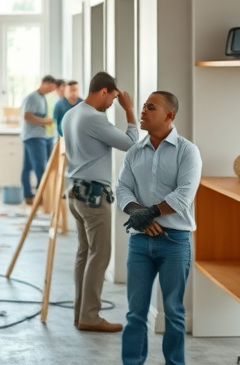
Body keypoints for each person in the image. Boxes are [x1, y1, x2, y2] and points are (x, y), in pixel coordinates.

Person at [116, 91, 201, 365]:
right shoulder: (133, 152)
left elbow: (184, 194)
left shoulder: (188, 151)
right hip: (140, 243)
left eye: (150, 107)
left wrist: (149, 213)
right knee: (135, 313)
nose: (142, 111)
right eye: (142, 107)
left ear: (169, 115)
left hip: (175, 242)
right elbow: (122, 189)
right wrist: (138, 215)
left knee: (174, 312)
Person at [62, 72, 137, 334]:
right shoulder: (93, 118)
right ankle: (91, 317)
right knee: (99, 255)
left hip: (75, 193)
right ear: (104, 91)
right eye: (113, 97)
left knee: (85, 253)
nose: (112, 104)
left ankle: (81, 314)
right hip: (94, 198)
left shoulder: (71, 114)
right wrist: (129, 111)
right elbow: (131, 144)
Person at [20, 75, 57, 204]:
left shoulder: (42, 98)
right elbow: (27, 116)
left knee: (28, 167)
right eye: (51, 88)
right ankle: (41, 197)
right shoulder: (32, 97)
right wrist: (45, 121)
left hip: (38, 136)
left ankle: (29, 196)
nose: (51, 91)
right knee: (40, 168)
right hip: (33, 137)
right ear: (44, 83)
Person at [44, 78, 65, 156]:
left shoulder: (64, 102)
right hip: (52, 134)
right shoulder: (54, 101)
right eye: (63, 88)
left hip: (56, 134)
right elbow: (53, 120)